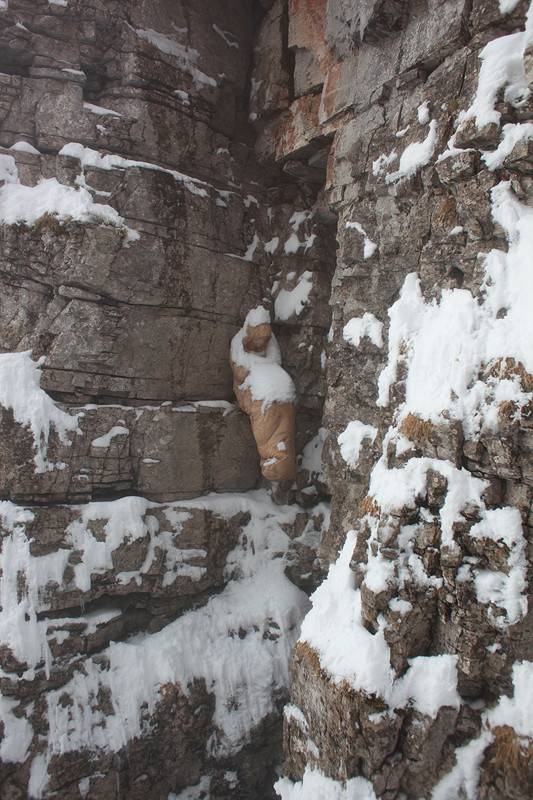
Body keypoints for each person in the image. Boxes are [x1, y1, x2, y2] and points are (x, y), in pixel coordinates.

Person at [230, 306, 297, 481]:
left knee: (285, 414)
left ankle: (282, 456)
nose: (262, 343)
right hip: (251, 388)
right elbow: (241, 372)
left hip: (275, 384)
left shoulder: (270, 341)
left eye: (264, 338)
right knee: (267, 412)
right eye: (258, 338)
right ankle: (273, 459)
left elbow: (276, 361)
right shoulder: (239, 341)